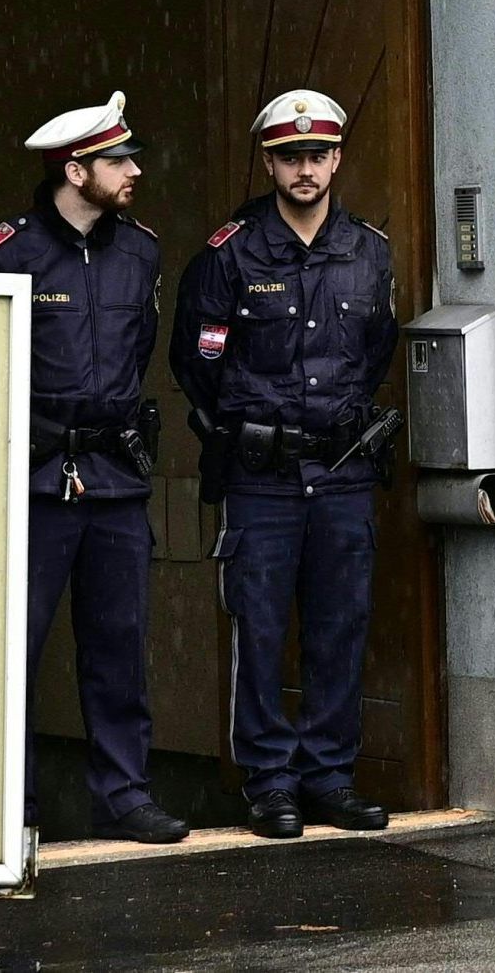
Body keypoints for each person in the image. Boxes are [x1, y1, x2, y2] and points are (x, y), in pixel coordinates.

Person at [177, 89, 401, 839]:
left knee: (340, 626)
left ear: (337, 158)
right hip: (262, 476)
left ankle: (329, 776)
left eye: (317, 154)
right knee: (262, 628)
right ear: (268, 161)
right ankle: (270, 782)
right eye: (290, 156)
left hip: (340, 471)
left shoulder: (369, 250)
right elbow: (196, 359)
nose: (305, 168)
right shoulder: (229, 252)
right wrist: (254, 421)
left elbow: (375, 354)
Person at [0, 92, 185, 845]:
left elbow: (140, 351)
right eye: (119, 160)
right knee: (13, 650)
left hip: (116, 477)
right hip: (33, 478)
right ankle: (9, 809)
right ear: (75, 167)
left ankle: (123, 796)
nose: (133, 172)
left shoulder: (142, 250)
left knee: (119, 645)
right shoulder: (8, 251)